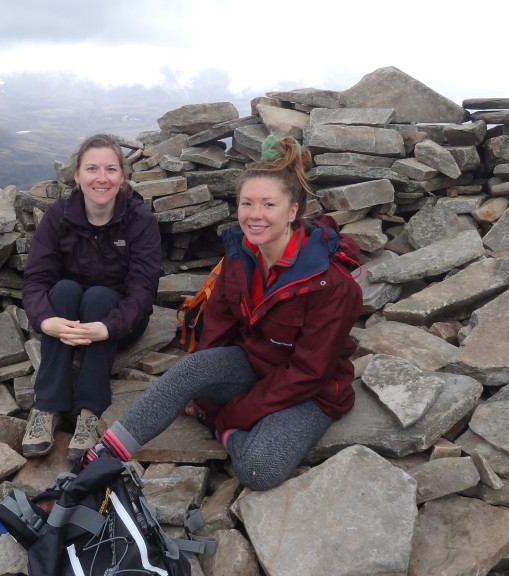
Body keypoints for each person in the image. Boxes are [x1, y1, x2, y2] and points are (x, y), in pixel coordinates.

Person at [82, 135, 363, 491]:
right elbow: (217, 328)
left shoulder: (330, 285)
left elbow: (310, 371)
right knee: (190, 369)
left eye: (268, 205)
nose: (254, 215)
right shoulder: (240, 255)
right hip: (253, 366)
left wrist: (228, 414)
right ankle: (103, 457)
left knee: (259, 469)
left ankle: (228, 431)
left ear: (293, 211)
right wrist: (202, 390)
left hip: (311, 391)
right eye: (247, 203)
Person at [21, 134, 162, 460]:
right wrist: (45, 320)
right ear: (77, 175)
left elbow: (143, 291)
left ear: (122, 176)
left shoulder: (139, 221)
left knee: (99, 297)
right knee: (65, 290)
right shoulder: (59, 216)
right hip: (66, 311)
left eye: (111, 169)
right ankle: (47, 405)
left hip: (118, 319)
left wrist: (108, 328)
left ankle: (89, 408)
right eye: (92, 169)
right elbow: (36, 279)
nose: (102, 178)